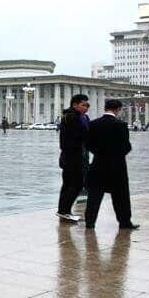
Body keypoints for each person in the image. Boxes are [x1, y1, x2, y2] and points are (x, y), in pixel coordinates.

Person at [84, 99, 138, 230]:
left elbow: (88, 144)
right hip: (117, 166)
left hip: (98, 163)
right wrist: (116, 155)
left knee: (94, 195)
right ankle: (124, 222)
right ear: (118, 109)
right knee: (121, 196)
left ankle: (90, 222)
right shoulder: (121, 125)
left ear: (105, 108)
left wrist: (100, 153)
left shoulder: (93, 124)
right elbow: (126, 147)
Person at [57, 94, 90, 222]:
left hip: (80, 156)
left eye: (87, 105)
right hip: (72, 156)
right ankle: (64, 211)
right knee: (75, 184)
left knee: (69, 184)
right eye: (83, 105)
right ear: (74, 105)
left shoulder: (83, 117)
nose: (86, 108)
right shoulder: (70, 117)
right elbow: (79, 135)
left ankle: (63, 211)